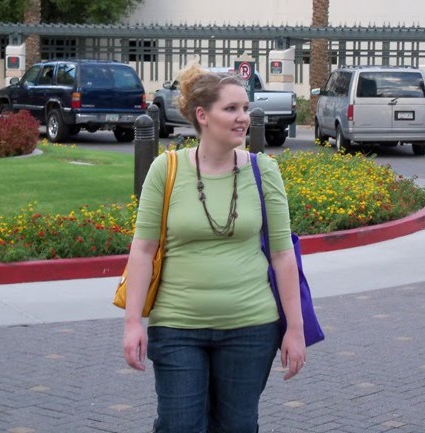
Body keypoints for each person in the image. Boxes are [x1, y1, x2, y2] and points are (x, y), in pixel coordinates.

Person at [122, 62, 306, 432]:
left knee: (237, 426)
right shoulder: (166, 169)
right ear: (202, 116)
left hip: (251, 327)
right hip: (177, 327)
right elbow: (143, 250)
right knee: (179, 425)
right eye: (231, 108)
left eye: (245, 108)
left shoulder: (263, 171)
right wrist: (132, 324)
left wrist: (295, 329)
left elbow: (282, 254)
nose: (243, 118)